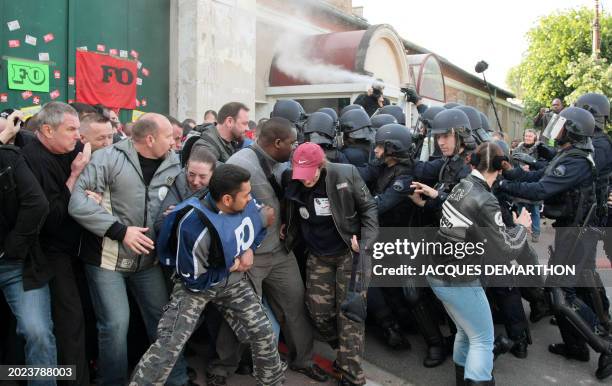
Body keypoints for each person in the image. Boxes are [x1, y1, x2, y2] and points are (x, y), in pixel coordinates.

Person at [131, 164, 286, 386]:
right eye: (246, 195)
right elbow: (195, 281)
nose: (251, 198)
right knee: (169, 345)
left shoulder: (246, 203)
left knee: (263, 331)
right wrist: (229, 267)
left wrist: (250, 247)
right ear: (227, 200)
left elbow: (263, 218)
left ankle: (273, 382)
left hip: (232, 283)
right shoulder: (195, 228)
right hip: (195, 288)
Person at [68, 113, 189, 385]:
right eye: (169, 136)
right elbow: (77, 204)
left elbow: (188, 197)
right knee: (115, 326)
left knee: (164, 322)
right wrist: (121, 231)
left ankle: (176, 379)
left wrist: (177, 211)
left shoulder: (173, 163)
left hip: (148, 262)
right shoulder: (107, 158)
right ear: (150, 138)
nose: (174, 141)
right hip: (107, 260)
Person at [206, 117, 327, 385]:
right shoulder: (240, 164)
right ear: (277, 143)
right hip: (249, 257)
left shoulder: (283, 162)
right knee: (239, 313)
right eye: (292, 142)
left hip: (280, 252)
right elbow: (222, 211)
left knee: (295, 306)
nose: (296, 148)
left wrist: (287, 222)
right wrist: (241, 249)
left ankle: (303, 360)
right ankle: (223, 366)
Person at [498, 106, 612, 380]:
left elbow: (540, 190)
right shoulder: (569, 155)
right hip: (573, 231)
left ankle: (606, 345)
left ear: (571, 130)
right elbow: (539, 175)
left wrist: (502, 185)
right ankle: (575, 347)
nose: (556, 130)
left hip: (577, 233)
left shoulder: (576, 160)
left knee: (562, 295)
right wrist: (510, 171)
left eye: (561, 125)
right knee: (567, 290)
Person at [427, 142, 534, 385]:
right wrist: (521, 228)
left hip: (439, 273)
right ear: (499, 167)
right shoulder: (486, 199)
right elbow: (505, 249)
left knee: (466, 333)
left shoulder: (462, 186)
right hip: (459, 279)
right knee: (483, 339)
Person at [282, 142, 378, 386]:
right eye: (300, 175)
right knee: (318, 313)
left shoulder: (345, 174)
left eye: (309, 174)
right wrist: (287, 228)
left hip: (350, 252)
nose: (305, 180)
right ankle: (344, 353)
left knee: (350, 316)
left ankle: (352, 375)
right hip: (318, 254)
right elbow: (291, 210)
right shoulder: (292, 180)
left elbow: (368, 208)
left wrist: (366, 244)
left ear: (321, 165)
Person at [21, 102, 91, 385]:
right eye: (71, 129)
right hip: (42, 255)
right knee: (53, 325)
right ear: (47, 130)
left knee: (76, 317)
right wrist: (74, 177)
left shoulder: (72, 150)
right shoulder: (28, 160)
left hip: (74, 248)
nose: (78, 136)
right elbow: (50, 217)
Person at [0, 115, 57, 386]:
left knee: (38, 333)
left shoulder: (12, 156)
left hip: (16, 264)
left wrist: (11, 248)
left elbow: (38, 204)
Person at [512, 129, 542, 242]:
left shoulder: (540, 151)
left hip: (534, 183)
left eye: (530, 136)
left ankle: (536, 233)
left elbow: (543, 166)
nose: (528, 138)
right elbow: (511, 163)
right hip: (520, 182)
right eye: (526, 136)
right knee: (521, 208)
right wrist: (520, 168)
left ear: (535, 137)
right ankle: (521, 232)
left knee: (535, 209)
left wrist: (532, 167)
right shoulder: (517, 149)